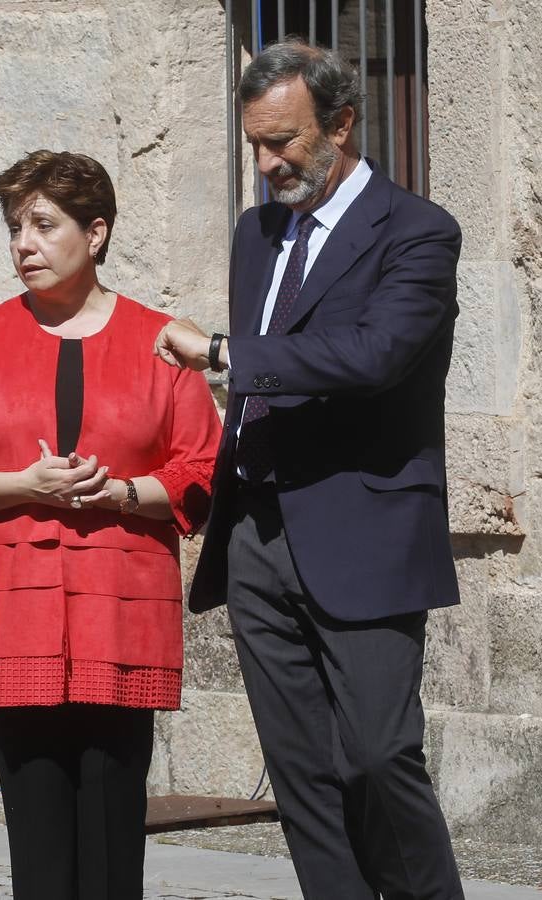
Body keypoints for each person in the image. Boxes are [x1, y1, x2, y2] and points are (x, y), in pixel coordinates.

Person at [154, 41, 464, 899]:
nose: (265, 165)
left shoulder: (416, 230)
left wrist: (222, 353)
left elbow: (374, 354)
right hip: (256, 532)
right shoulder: (255, 234)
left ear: (341, 124)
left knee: (374, 753)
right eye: (253, 144)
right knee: (300, 776)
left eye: (283, 142)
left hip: (364, 531)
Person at [0, 150, 221, 899]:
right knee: (38, 838)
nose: (22, 243)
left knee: (112, 831)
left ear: (95, 233)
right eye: (14, 226)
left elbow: (201, 470)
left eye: (42, 225)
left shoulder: (162, 340)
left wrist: (119, 492)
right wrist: (25, 484)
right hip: (10, 611)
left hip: (121, 615)